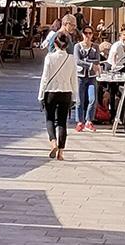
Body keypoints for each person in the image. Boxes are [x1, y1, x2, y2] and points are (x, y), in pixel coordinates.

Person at [38, 28, 79, 160]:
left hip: (51, 91)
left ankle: (53, 142)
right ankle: (61, 152)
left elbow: (45, 77)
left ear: (55, 44)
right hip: (66, 92)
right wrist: (75, 96)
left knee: (50, 119)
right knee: (62, 122)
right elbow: (74, 78)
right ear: (67, 45)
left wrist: (40, 95)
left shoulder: (49, 57)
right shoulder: (71, 58)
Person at [73, 30, 104, 134]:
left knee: (93, 99)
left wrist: (85, 61)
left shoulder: (95, 47)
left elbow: (97, 60)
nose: (88, 35)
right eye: (86, 33)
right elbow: (77, 60)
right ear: (82, 34)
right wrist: (90, 64)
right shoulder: (77, 46)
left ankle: (89, 121)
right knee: (79, 100)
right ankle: (79, 122)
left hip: (92, 76)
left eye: (90, 33)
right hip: (80, 76)